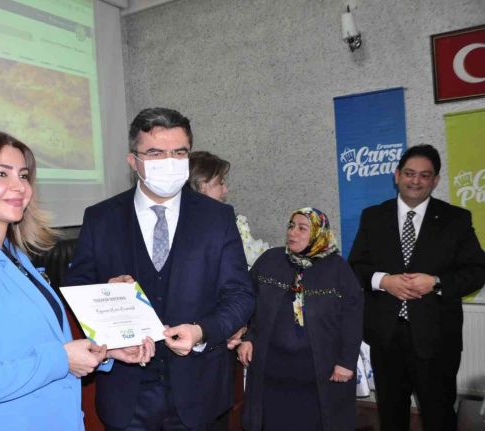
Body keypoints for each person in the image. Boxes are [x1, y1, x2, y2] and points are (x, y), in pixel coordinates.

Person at [0, 131, 132, 430]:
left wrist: (102, 350)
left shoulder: (14, 255)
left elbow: (33, 345)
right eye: (1, 174)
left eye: (23, 175)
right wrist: (62, 360)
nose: (19, 186)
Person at [66, 108, 255, 430]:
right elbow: (78, 287)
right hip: (127, 394)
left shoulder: (217, 218)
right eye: (155, 153)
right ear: (133, 161)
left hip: (200, 393)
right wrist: (105, 293)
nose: (169, 162)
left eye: (179, 153)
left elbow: (240, 295)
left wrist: (202, 331)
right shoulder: (101, 218)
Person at [348, 144, 485, 431]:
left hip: (437, 339)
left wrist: (436, 282)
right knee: (391, 417)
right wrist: (384, 281)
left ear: (435, 180)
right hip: (386, 338)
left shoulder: (456, 219)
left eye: (425, 175)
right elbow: (356, 267)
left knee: (439, 416)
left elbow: (477, 271)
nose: (416, 181)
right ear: (397, 175)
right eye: (409, 173)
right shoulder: (373, 216)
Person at [237, 207, 363, 431]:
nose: (293, 232)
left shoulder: (337, 269)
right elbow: (248, 302)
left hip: (318, 373)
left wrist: (346, 362)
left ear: (318, 233)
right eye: (291, 226)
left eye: (302, 228)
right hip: (271, 369)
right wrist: (247, 337)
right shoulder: (270, 260)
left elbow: (352, 318)